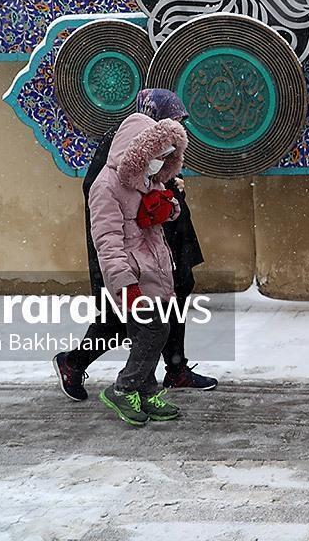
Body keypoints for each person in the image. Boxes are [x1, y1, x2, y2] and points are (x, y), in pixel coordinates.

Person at [53, 89, 216, 403]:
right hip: (130, 258)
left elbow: (150, 188)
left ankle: (169, 371)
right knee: (120, 322)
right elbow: (106, 200)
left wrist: (168, 191)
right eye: (173, 120)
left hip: (162, 247)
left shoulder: (157, 153)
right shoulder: (121, 145)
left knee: (165, 314)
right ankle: (78, 364)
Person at [79, 108, 188, 425]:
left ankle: (146, 389)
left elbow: (162, 212)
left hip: (153, 272)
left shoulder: (145, 180)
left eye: (164, 157)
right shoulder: (106, 188)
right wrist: (125, 285)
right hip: (133, 278)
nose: (158, 163)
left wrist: (168, 208)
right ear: (137, 151)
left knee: (149, 334)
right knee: (155, 330)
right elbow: (107, 241)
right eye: (155, 155)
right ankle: (124, 388)